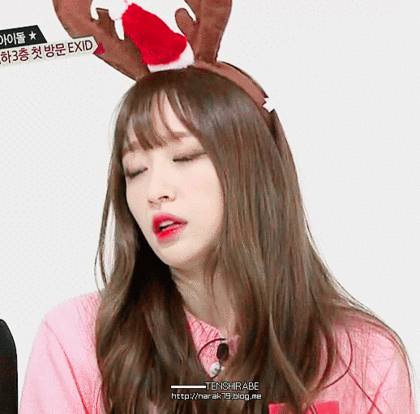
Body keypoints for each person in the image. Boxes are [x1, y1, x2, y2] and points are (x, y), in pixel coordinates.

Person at [20, 67, 416, 414]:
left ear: (254, 171)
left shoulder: (366, 357)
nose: (154, 191)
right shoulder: (77, 340)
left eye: (184, 157)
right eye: (135, 170)